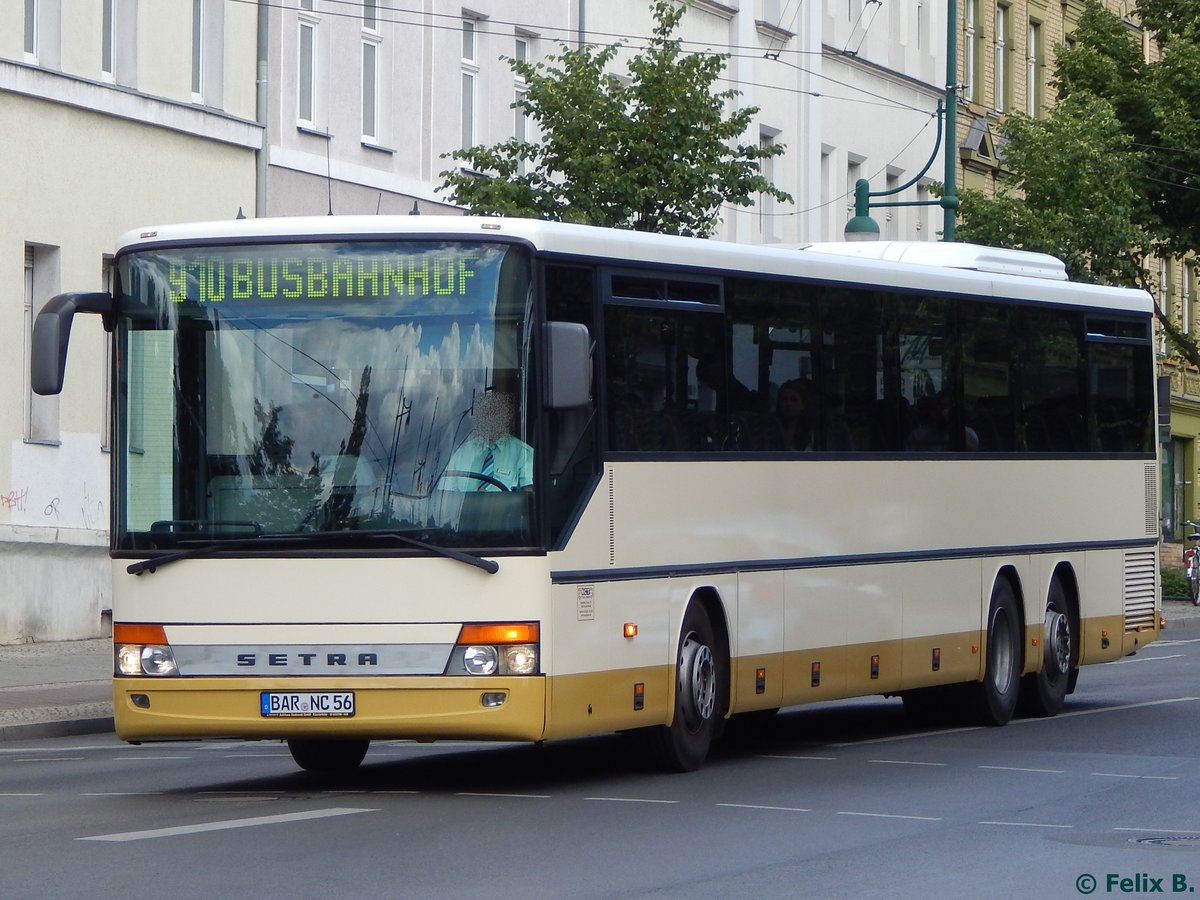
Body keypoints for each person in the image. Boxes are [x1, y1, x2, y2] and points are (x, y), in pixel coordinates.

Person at [441, 391, 533, 491]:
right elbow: (445, 494)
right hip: (465, 507)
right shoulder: (461, 453)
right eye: (485, 413)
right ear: (478, 418)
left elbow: (529, 497)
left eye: (495, 413)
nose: (490, 419)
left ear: (506, 417)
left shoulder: (524, 454)